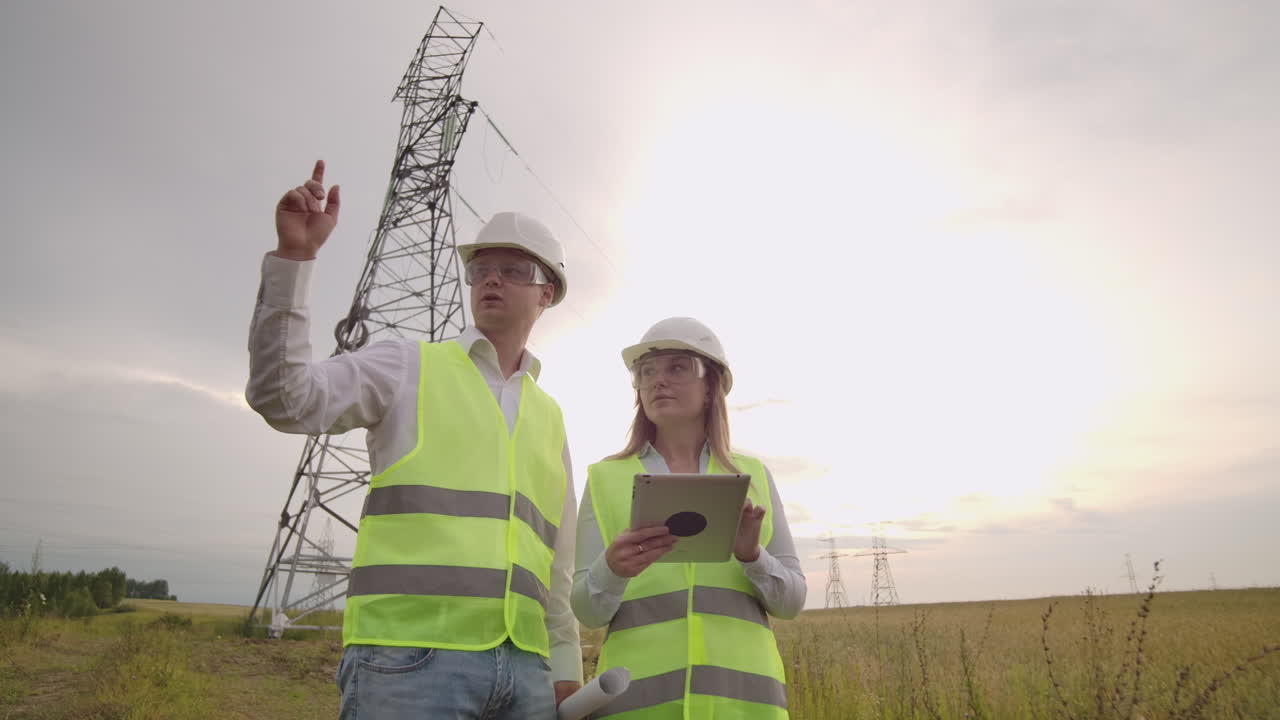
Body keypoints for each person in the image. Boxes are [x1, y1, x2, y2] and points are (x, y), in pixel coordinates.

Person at [246, 160, 582, 719]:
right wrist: (295, 260)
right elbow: (284, 399)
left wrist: (566, 668)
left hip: (526, 671)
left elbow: (560, 564)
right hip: (408, 661)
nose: (492, 278)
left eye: (513, 268)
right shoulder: (405, 365)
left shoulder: (549, 416)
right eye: (481, 269)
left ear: (546, 293)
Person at [571, 317, 806, 719]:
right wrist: (612, 569)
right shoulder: (605, 479)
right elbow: (587, 611)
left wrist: (753, 557)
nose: (657, 381)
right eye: (646, 372)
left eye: (677, 367)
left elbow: (791, 602)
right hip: (637, 709)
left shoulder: (752, 479)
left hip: (745, 708)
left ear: (712, 385)